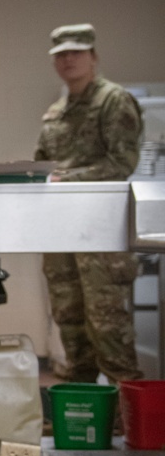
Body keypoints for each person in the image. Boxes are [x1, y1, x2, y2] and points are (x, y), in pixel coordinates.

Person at [35, 23, 144, 383]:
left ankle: (126, 425)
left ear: (93, 57)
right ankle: (81, 416)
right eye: (61, 55)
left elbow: (121, 164)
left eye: (76, 52)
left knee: (108, 326)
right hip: (62, 231)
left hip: (101, 236)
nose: (68, 60)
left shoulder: (114, 101)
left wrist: (66, 178)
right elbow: (40, 166)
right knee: (70, 322)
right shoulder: (55, 112)